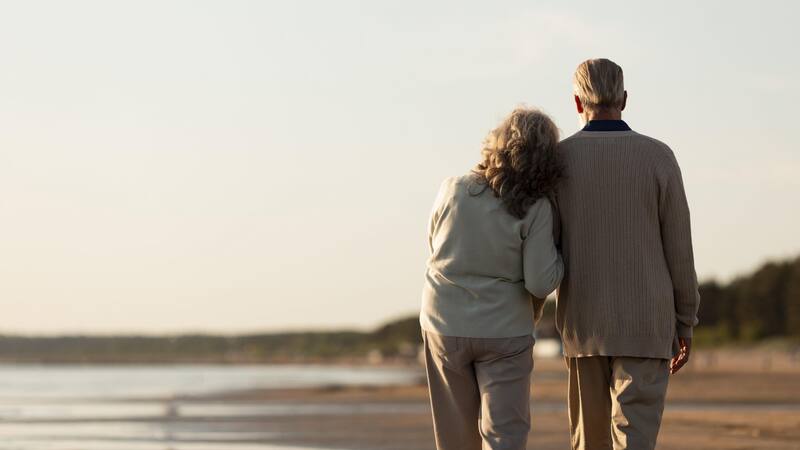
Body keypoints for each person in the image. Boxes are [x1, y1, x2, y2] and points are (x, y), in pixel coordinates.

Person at [556, 58, 701, 450]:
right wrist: (685, 321)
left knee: (589, 442)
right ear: (624, 98)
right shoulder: (658, 157)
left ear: (576, 102)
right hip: (647, 323)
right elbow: (679, 249)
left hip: (584, 325)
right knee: (635, 442)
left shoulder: (558, 161)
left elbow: (545, 247)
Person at [420, 107, 564, 450]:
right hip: (504, 330)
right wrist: (562, 258)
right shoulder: (537, 207)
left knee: (454, 437)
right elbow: (540, 283)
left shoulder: (453, 189)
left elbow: (434, 244)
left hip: (444, 322)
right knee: (505, 435)